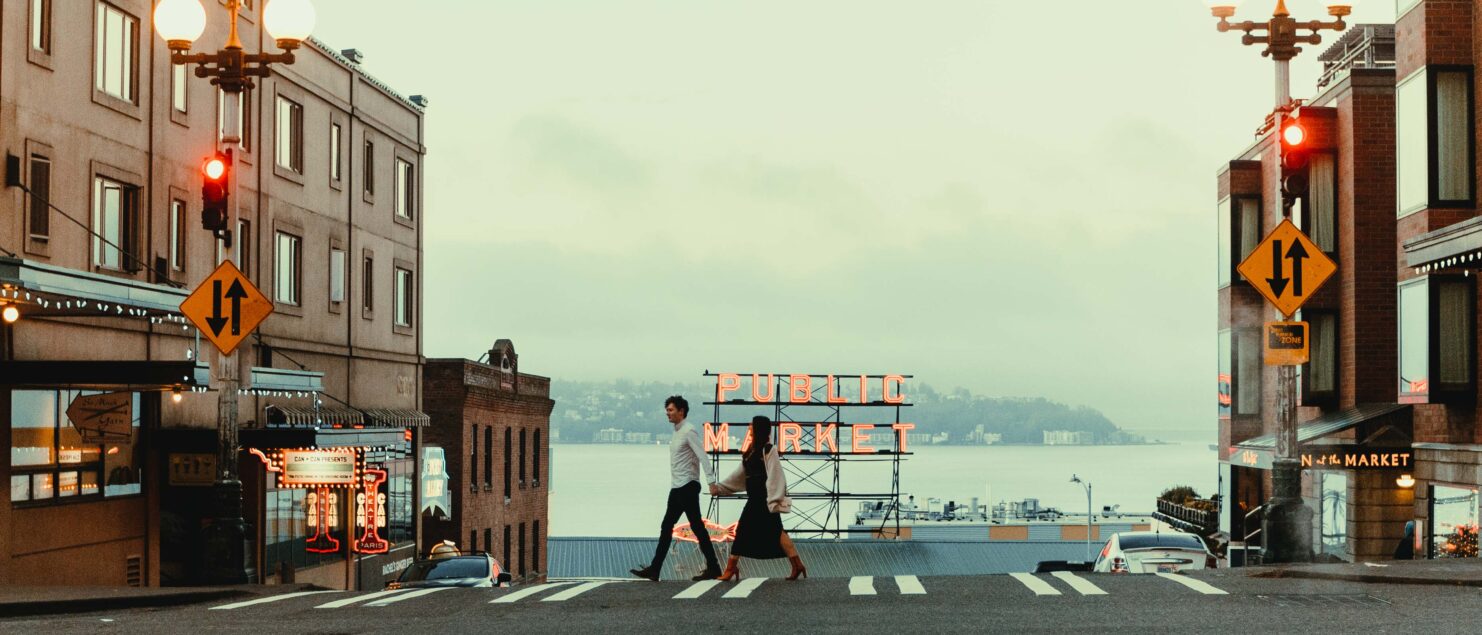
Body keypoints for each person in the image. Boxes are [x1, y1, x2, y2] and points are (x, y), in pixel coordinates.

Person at [630, 395, 723, 581]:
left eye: (671, 410)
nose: (668, 413)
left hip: (688, 485)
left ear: (681, 411)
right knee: (668, 527)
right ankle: (655, 569)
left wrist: (711, 482)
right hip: (677, 488)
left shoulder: (689, 431)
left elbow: (703, 457)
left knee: (696, 527)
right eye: (667, 410)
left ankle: (713, 567)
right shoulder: (676, 433)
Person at [710, 415, 808, 581]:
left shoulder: (769, 450)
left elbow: (776, 476)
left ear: (758, 429)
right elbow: (739, 477)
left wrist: (774, 499)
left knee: (745, 531)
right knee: (777, 532)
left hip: (764, 500)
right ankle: (797, 565)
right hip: (756, 499)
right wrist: (720, 488)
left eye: (752, 425)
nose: (749, 427)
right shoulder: (750, 452)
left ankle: (731, 568)